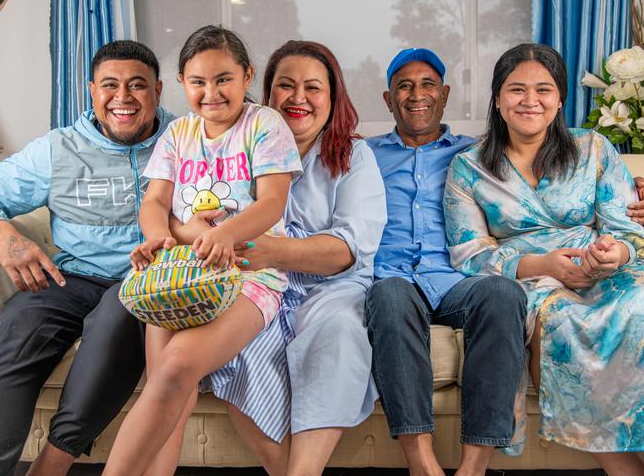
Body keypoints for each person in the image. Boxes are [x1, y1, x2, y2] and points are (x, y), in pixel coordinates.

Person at [170, 40, 387, 476]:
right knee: (236, 346)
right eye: (286, 86)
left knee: (341, 332)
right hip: (254, 286)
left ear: (333, 96)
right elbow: (182, 213)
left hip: (329, 287)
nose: (298, 98)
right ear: (266, 94)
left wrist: (270, 251)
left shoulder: (354, 156)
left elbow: (348, 248)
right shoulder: (236, 143)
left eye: (313, 87)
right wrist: (198, 232)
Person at [102, 25, 302, 476]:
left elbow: (273, 201)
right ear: (181, 83)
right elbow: (154, 201)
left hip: (247, 275)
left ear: (247, 75)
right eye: (198, 82)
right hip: (177, 278)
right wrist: (159, 237)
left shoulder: (264, 124)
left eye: (223, 79)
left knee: (175, 369)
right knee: (168, 390)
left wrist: (225, 236)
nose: (211, 92)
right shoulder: (177, 135)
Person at [443, 43, 644, 476]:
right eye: (516, 89)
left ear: (560, 99)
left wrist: (615, 253)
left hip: (607, 268)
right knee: (564, 322)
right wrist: (545, 266)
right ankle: (624, 468)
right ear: (497, 98)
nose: (530, 100)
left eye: (544, 90)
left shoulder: (595, 149)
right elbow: (469, 254)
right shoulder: (467, 167)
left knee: (639, 308)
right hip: (532, 282)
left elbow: (626, 227)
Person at [0, 40, 172, 476]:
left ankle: (53, 463)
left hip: (143, 283)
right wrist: (2, 233)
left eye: (138, 86)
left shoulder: (186, 139)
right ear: (91, 91)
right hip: (69, 280)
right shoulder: (57, 149)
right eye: (110, 85)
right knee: (19, 322)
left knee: (120, 311)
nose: (123, 97)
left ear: (159, 90)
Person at [364, 48, 529, 476]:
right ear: (388, 99)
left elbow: (551, 157)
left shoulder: (479, 153)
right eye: (404, 85)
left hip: (458, 278)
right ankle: (421, 462)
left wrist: (630, 187)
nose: (416, 94)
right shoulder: (362, 155)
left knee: (503, 292)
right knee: (389, 297)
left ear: (445, 94)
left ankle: (474, 465)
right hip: (393, 276)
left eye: (427, 84)